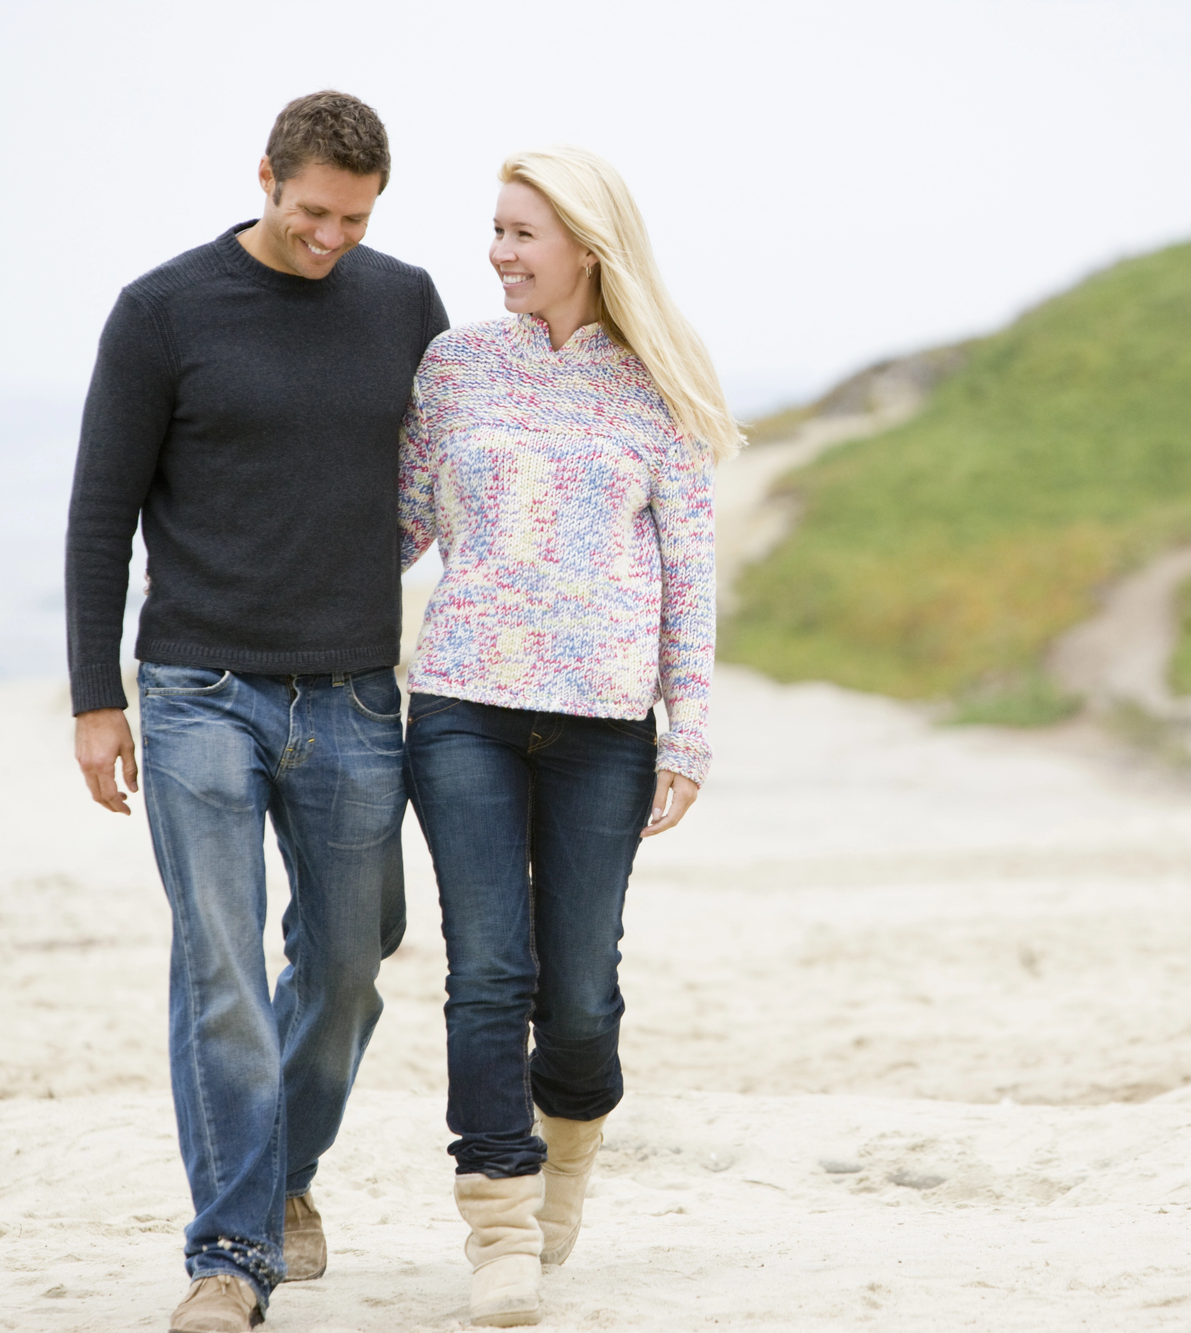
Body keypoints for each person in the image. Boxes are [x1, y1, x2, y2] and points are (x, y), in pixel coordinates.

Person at [65, 91, 449, 1333]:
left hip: (350, 687)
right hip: (196, 690)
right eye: (310, 212)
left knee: (348, 963)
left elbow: (450, 468)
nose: (331, 236)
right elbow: (99, 512)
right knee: (220, 967)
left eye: (354, 217)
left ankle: (281, 1173)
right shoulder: (163, 311)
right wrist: (93, 699)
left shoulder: (405, 302)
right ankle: (229, 1254)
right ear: (266, 177)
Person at [396, 146, 739, 1326]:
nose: (496, 253)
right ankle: (497, 1219)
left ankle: (569, 1151)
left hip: (603, 726)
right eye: (493, 230)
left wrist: (685, 730)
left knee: (580, 995)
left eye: (520, 234)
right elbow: (394, 528)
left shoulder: (658, 387)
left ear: (586, 246)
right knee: (487, 968)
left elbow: (688, 573)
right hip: (460, 707)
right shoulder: (451, 367)